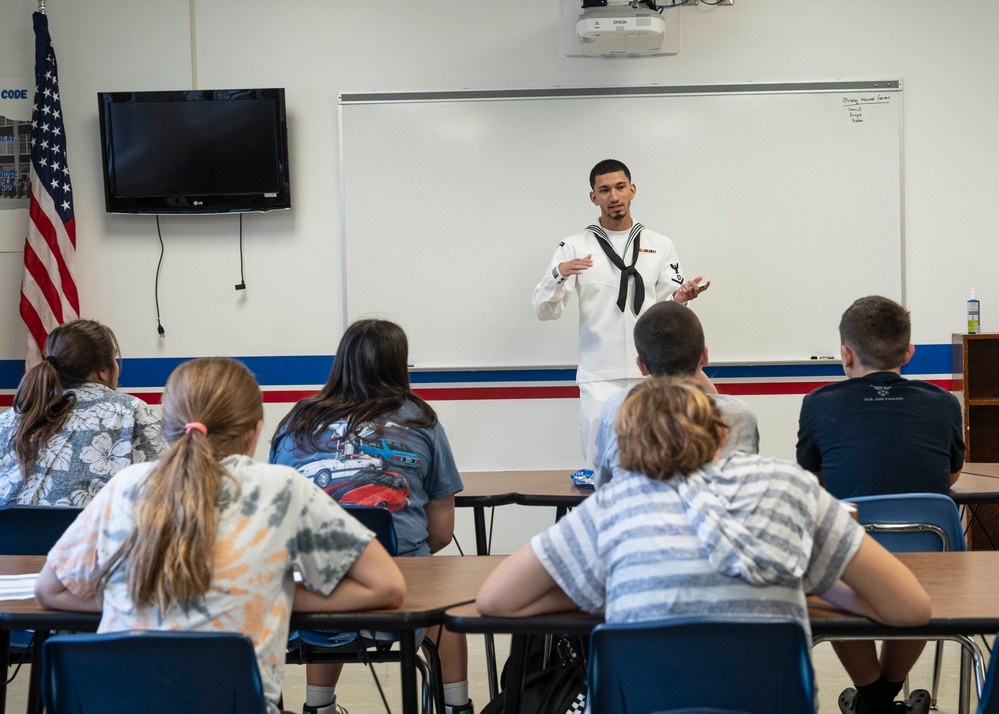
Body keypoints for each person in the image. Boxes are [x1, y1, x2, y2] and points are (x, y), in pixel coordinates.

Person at [477, 378, 932, 714]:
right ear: (720, 435)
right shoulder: (787, 486)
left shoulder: (612, 506)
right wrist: (807, 578)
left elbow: (496, 600)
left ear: (625, 449)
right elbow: (910, 610)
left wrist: (602, 587)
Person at [34, 357, 406, 714]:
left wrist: (138, 596)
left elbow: (51, 590)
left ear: (167, 429)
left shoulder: (125, 485)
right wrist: (271, 596)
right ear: (255, 432)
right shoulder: (283, 489)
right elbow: (386, 586)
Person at [270, 319, 471, 714]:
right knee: (447, 607)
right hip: (392, 589)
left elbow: (276, 512)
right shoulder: (419, 418)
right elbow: (443, 532)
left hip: (302, 596)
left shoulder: (297, 420)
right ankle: (456, 706)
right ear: (400, 365)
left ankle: (319, 707)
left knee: (327, 568)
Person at [796, 295, 964, 714]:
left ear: (846, 353)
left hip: (851, 559)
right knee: (921, 580)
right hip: (934, 561)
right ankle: (884, 697)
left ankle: (872, 701)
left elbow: (813, 477)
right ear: (909, 352)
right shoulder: (944, 402)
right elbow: (952, 476)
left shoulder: (818, 403)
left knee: (821, 572)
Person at [532, 158, 709, 466]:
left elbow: (670, 303)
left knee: (659, 463)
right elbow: (545, 311)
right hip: (599, 374)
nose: (613, 196)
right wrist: (558, 273)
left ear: (632, 190)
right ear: (594, 197)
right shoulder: (574, 246)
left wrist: (681, 298)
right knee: (599, 466)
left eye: (619, 187)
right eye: (604, 190)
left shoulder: (659, 243)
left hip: (654, 373)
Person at [593, 300, 758, 487]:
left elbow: (603, 486)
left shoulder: (617, 408)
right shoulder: (738, 415)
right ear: (704, 356)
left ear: (642, 366)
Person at [0, 318, 165, 506]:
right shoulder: (132, 411)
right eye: (114, 357)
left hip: (9, 534)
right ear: (103, 370)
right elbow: (170, 486)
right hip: (93, 534)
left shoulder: (10, 418)